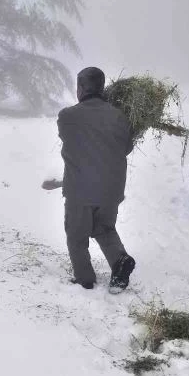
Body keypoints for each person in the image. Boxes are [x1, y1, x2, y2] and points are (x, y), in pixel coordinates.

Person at [55, 66, 136, 294]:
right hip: (111, 190)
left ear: (81, 88)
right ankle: (119, 262)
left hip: (80, 189)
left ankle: (85, 279)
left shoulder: (67, 116)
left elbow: (68, 137)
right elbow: (126, 147)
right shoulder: (121, 116)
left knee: (77, 234)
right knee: (104, 228)